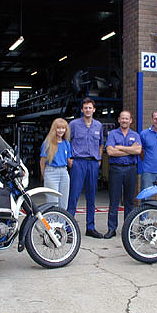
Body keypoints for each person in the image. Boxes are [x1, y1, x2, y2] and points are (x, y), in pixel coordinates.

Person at [67, 97, 104, 238]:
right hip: (78, 163)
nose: (88, 110)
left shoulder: (98, 125)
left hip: (93, 163)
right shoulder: (74, 124)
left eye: (90, 107)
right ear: (82, 110)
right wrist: (69, 158)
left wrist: (99, 159)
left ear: (94, 110)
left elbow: (101, 143)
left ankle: (90, 227)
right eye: (85, 108)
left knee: (91, 197)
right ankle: (68, 228)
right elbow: (66, 141)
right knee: (74, 196)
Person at [104, 110, 142, 239]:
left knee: (129, 201)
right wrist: (130, 150)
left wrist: (119, 147)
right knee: (114, 200)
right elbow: (110, 151)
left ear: (131, 120)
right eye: (122, 118)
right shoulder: (113, 134)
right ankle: (111, 229)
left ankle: (128, 229)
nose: (124, 120)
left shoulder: (135, 135)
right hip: (116, 169)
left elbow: (138, 150)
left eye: (127, 118)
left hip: (131, 169)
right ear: (119, 120)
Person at [39, 118, 72, 209]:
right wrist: (43, 175)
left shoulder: (66, 143)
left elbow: (69, 160)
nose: (61, 130)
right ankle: (52, 222)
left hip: (64, 172)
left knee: (64, 203)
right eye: (58, 128)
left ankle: (62, 223)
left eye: (63, 128)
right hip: (51, 172)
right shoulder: (48, 143)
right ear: (54, 129)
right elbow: (42, 161)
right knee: (53, 202)